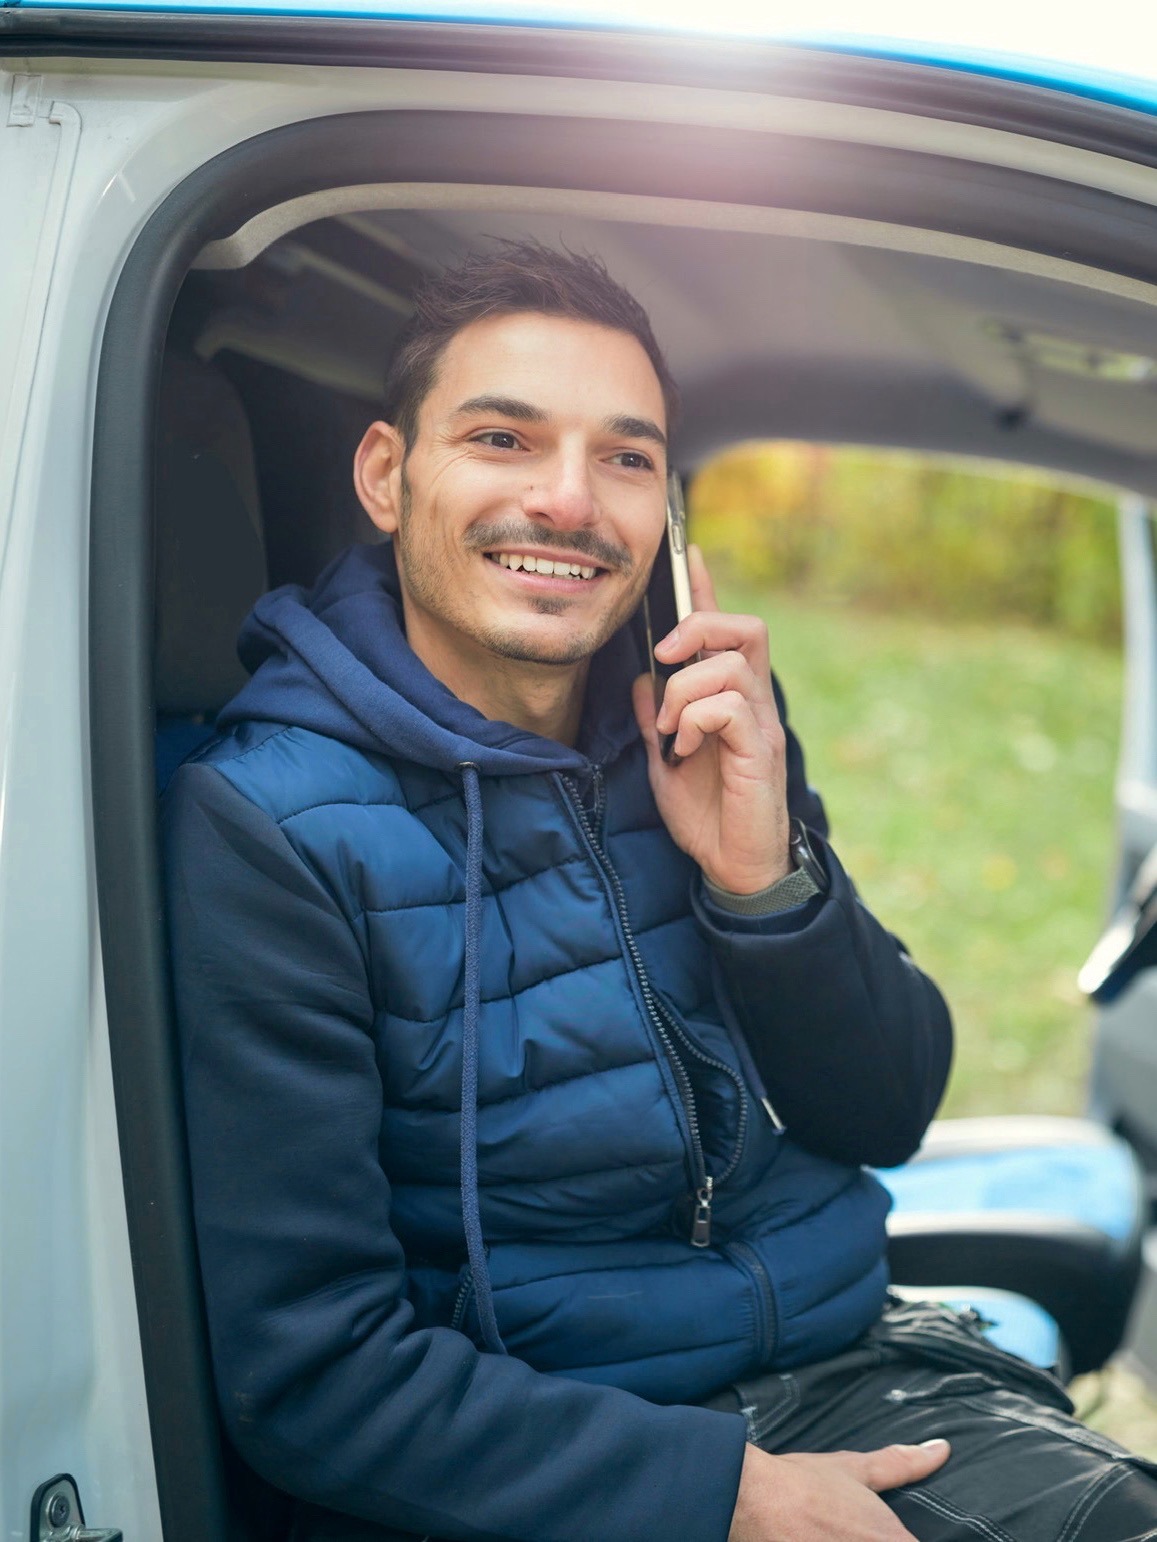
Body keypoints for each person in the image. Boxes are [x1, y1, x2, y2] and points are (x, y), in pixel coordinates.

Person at [163, 240, 1157, 1542]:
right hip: (555, 1460)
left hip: (839, 1360)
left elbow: (889, 1103)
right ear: (388, 477)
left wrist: (762, 883)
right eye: (504, 438)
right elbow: (313, 1375)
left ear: (667, 513)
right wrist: (723, 1494)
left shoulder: (702, 720)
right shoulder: (270, 822)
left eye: (626, 456)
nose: (570, 501)